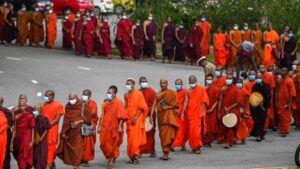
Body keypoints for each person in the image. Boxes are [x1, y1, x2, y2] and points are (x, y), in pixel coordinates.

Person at [57, 92, 92, 169]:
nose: (71, 101)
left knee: (77, 149)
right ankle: (75, 164)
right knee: (70, 150)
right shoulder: (68, 106)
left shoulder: (83, 105)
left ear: (76, 98)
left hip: (78, 131)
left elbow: (89, 119)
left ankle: (77, 165)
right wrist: (63, 131)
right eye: (69, 99)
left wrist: (78, 122)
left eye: (72, 99)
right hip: (69, 131)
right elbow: (66, 119)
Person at [98, 85, 127, 169]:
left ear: (114, 94)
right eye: (107, 92)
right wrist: (99, 126)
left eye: (110, 93)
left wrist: (119, 127)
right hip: (105, 127)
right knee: (103, 144)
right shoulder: (106, 103)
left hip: (114, 127)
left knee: (112, 144)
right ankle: (111, 156)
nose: (108, 94)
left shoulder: (118, 102)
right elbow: (102, 115)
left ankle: (111, 161)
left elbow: (122, 116)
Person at [151, 79, 178, 160]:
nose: (163, 84)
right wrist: (150, 116)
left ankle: (166, 153)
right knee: (162, 135)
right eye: (161, 83)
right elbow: (154, 105)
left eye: (164, 83)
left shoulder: (171, 92)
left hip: (168, 117)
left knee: (168, 135)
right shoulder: (157, 93)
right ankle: (164, 152)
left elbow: (176, 105)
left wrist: (168, 107)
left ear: (167, 84)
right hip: (160, 117)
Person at [124, 78, 148, 165]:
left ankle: (136, 157)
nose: (128, 86)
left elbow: (142, 107)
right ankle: (131, 157)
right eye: (126, 84)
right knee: (130, 139)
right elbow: (125, 106)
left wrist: (136, 117)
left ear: (133, 85)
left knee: (135, 139)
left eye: (129, 84)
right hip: (129, 119)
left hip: (137, 119)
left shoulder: (138, 94)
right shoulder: (126, 95)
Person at [182, 75, 209, 153]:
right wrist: (183, 112)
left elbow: (204, 101)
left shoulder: (201, 89)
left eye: (193, 82)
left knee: (198, 132)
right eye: (190, 82)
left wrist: (203, 111)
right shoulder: (188, 90)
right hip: (191, 113)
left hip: (199, 113)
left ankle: (198, 147)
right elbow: (186, 101)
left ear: (196, 81)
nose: (192, 83)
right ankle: (194, 147)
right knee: (192, 132)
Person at [217, 74, 242, 148]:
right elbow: (220, 100)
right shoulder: (223, 89)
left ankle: (228, 142)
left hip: (233, 110)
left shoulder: (236, 90)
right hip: (223, 110)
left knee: (231, 125)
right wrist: (218, 111)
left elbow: (238, 102)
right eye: (227, 78)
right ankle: (229, 140)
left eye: (230, 78)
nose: (228, 79)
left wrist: (229, 108)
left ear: (232, 80)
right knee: (224, 126)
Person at [41, 90, 64, 169]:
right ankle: (52, 163)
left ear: (52, 96)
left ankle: (48, 165)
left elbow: (57, 119)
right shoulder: (43, 105)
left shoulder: (58, 105)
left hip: (52, 130)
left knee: (51, 148)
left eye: (47, 96)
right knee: (44, 148)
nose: (46, 97)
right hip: (43, 131)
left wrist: (47, 125)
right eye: (45, 96)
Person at [10, 94, 35, 169]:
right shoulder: (15, 110)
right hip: (17, 137)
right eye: (20, 98)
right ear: (18, 99)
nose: (22, 100)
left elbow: (32, 127)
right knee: (18, 156)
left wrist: (32, 141)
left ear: (26, 100)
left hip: (26, 138)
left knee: (24, 158)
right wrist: (11, 141)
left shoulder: (30, 109)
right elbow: (13, 125)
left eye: (23, 98)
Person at [250, 73, 271, 141]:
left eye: (259, 77)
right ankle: (258, 134)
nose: (257, 79)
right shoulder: (254, 86)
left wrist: (264, 102)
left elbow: (268, 96)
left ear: (261, 78)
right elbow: (252, 95)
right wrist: (253, 104)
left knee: (262, 120)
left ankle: (260, 135)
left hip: (263, 106)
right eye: (256, 78)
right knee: (257, 120)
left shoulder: (266, 86)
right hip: (255, 106)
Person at [139, 77, 157, 157]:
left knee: (151, 133)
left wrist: (150, 114)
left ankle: (152, 151)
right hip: (140, 115)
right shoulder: (137, 92)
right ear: (139, 83)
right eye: (142, 82)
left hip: (150, 115)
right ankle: (140, 151)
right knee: (140, 133)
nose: (144, 83)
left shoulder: (151, 92)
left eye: (145, 81)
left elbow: (154, 104)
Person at [276, 67, 296, 137]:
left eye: (283, 71)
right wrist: (276, 101)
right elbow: (277, 91)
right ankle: (282, 129)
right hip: (279, 102)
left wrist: (289, 104)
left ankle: (285, 131)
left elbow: (292, 94)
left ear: (287, 72)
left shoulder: (290, 81)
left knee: (286, 117)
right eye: (281, 70)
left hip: (286, 102)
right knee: (280, 116)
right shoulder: (279, 81)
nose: (282, 71)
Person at [81, 89, 99, 167]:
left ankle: (86, 160)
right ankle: (81, 159)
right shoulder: (79, 103)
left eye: (86, 94)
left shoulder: (92, 103)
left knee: (88, 143)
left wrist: (85, 105)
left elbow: (92, 113)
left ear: (90, 96)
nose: (84, 96)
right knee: (80, 142)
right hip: (80, 124)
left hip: (89, 125)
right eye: (83, 94)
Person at [172, 79, 188, 151]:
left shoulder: (185, 92)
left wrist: (182, 111)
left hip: (183, 114)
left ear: (182, 84)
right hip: (176, 115)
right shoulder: (174, 94)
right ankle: (174, 145)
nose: (177, 85)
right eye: (176, 84)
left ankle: (183, 144)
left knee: (184, 131)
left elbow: (186, 102)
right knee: (178, 131)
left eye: (179, 84)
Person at [204, 74, 220, 147]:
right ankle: (205, 141)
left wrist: (211, 109)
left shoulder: (216, 89)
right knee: (205, 126)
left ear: (213, 80)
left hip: (212, 110)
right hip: (204, 110)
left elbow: (217, 100)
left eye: (210, 79)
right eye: (207, 79)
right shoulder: (204, 89)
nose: (209, 80)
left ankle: (209, 141)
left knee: (211, 126)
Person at [258, 65, 276, 130]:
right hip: (259, 97)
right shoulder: (258, 77)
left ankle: (266, 127)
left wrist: (270, 99)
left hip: (267, 97)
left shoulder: (270, 76)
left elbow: (272, 89)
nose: (261, 69)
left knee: (268, 112)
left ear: (265, 68)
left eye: (263, 68)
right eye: (260, 68)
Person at [235, 79, 252, 144]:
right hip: (236, 110)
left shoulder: (244, 90)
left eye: (239, 83)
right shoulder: (235, 90)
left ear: (242, 84)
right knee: (236, 125)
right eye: (237, 83)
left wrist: (244, 111)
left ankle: (243, 138)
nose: (238, 84)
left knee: (243, 125)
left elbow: (247, 102)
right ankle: (235, 138)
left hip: (243, 110)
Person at [0, 97, 12, 169]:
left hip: (5, 136)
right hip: (4, 136)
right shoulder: (6, 111)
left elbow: (8, 125)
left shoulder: (5, 111)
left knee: (5, 155)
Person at [294, 64, 300, 128]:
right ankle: (298, 124)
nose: (298, 69)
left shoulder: (297, 75)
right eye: (297, 68)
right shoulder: (294, 75)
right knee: (297, 110)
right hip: (297, 96)